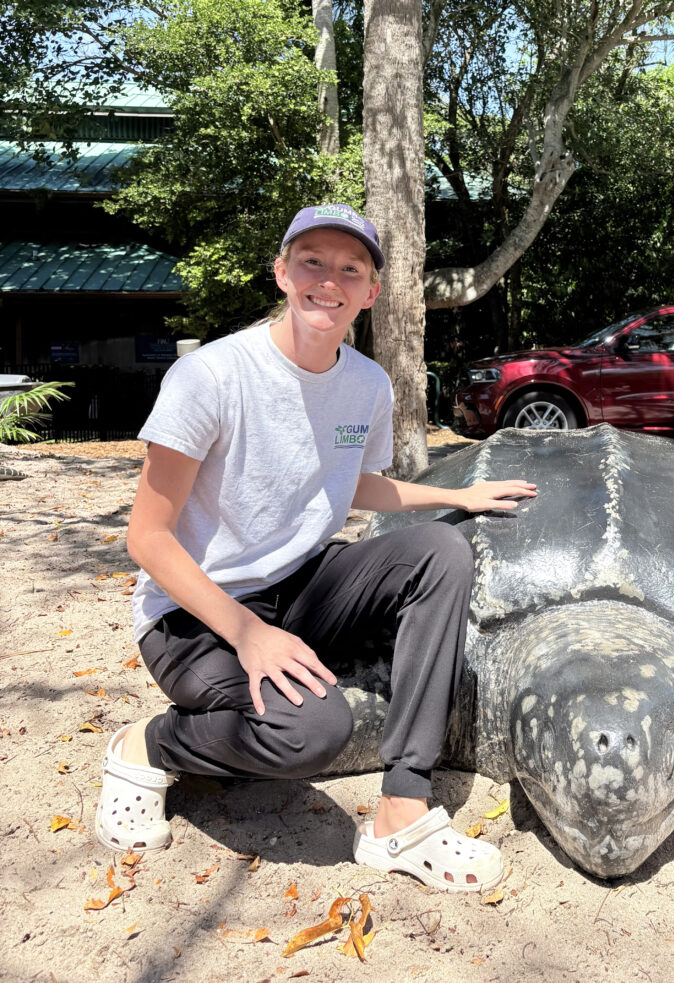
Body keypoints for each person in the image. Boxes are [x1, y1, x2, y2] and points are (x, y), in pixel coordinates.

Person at [94, 203, 536, 893]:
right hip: (192, 616)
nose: (328, 281)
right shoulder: (210, 378)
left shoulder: (366, 384)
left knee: (442, 552)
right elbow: (146, 538)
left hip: (298, 585)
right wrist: (247, 633)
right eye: (312, 262)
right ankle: (147, 743)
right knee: (312, 731)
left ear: (371, 292)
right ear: (280, 273)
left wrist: (457, 499)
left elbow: (353, 483)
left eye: (349, 269)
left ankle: (403, 805)